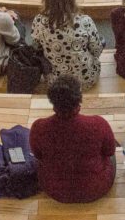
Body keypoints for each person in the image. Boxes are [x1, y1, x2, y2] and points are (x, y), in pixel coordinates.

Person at [30, 74, 117, 203]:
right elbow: (109, 151)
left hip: (54, 189)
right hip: (95, 188)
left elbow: (37, 155)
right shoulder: (98, 124)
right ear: (79, 99)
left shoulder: (39, 127)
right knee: (113, 152)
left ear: (52, 101)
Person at [32, 0, 106, 90]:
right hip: (86, 79)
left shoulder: (38, 21)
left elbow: (36, 47)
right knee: (100, 40)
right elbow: (97, 51)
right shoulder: (85, 21)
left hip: (56, 82)